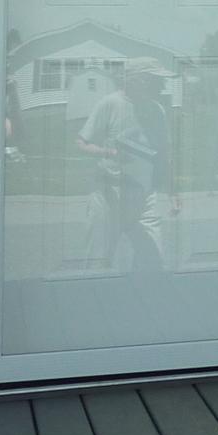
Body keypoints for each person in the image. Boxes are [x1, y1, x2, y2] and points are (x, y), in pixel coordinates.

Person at [77, 57, 174, 273]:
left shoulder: (158, 110)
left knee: (153, 262)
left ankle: (143, 303)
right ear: (139, 81)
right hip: (108, 193)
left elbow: (164, 153)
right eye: (157, 80)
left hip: (144, 195)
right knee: (98, 263)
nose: (163, 86)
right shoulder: (110, 104)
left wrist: (172, 191)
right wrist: (108, 152)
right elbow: (82, 143)